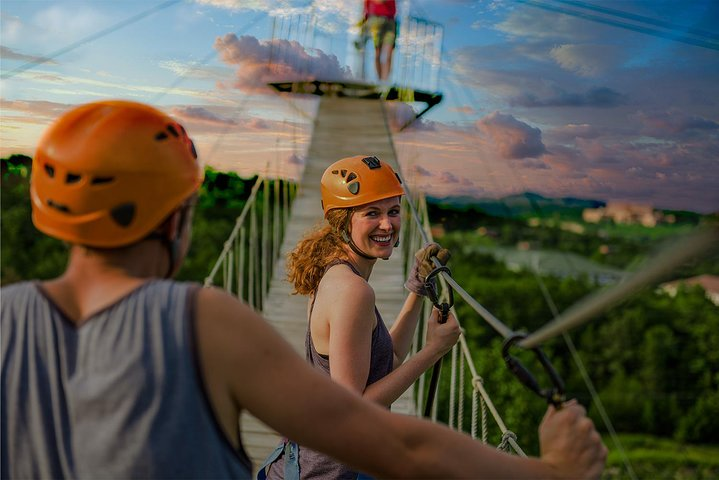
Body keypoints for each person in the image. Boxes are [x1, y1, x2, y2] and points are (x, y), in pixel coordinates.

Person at [1, 100, 607, 480]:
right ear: (178, 217)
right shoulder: (203, 320)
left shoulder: (6, 316)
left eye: (394, 212)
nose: (390, 224)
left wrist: (416, 295)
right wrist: (549, 472)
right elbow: (384, 441)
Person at [263, 154, 461, 480]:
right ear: (343, 221)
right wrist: (433, 351)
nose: (387, 224)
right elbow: (354, 410)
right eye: (372, 213)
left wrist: (417, 288)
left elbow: (390, 359)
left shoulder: (335, 270)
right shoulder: (354, 291)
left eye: (394, 211)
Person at [361, 0, 397, 81]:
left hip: (390, 20)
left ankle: (384, 83)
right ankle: (380, 82)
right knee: (378, 53)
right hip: (375, 19)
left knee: (389, 54)